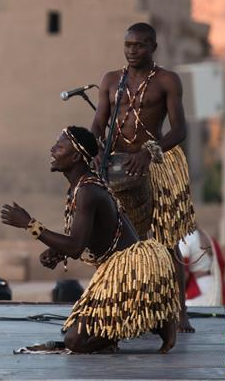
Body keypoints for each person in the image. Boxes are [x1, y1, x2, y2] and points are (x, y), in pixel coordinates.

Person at [1, 126, 179, 353]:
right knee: (75, 334)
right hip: (122, 267)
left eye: (59, 146)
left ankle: (153, 319)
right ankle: (152, 318)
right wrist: (58, 251)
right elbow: (85, 236)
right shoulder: (80, 187)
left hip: (133, 270)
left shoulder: (87, 191)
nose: (52, 150)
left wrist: (31, 225)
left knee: (75, 342)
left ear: (76, 156)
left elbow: (76, 247)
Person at [90, 22, 197, 332]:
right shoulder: (111, 80)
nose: (132, 50)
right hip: (117, 165)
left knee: (167, 239)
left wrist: (148, 153)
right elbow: (98, 122)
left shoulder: (167, 80)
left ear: (153, 47)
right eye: (128, 45)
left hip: (157, 162)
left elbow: (179, 129)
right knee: (115, 239)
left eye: (139, 45)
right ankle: (117, 310)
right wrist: (94, 147)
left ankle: (179, 311)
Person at [179, 227, 224, 306]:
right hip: (213, 284)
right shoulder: (207, 236)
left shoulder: (187, 237)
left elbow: (183, 272)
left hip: (198, 288)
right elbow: (221, 263)